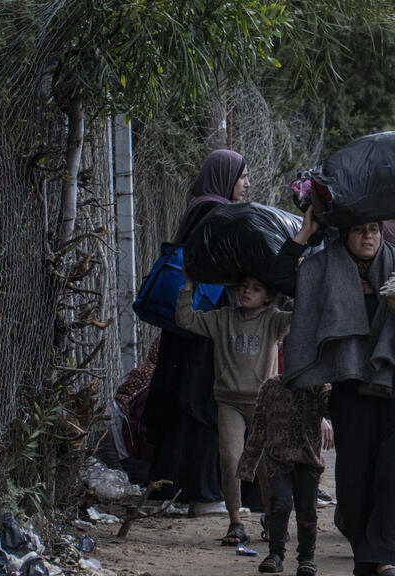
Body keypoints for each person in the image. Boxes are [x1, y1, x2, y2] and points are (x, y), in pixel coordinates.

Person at [269, 209, 395, 576]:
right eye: (358, 230)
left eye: (374, 229)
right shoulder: (323, 269)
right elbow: (278, 278)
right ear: (344, 234)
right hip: (352, 387)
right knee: (355, 478)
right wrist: (306, 233)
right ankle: (366, 558)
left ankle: (385, 556)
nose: (368, 237)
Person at [142, 149, 250, 513]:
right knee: (204, 401)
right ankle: (201, 492)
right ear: (225, 177)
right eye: (241, 176)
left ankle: (169, 488)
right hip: (203, 324)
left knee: (182, 401)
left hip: (186, 321)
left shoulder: (198, 206)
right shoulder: (215, 211)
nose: (246, 184)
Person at [175, 273, 292, 545]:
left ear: (268, 296)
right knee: (230, 459)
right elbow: (186, 319)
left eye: (256, 288)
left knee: (266, 466)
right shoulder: (222, 318)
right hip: (229, 402)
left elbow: (301, 316)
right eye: (243, 287)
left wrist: (296, 279)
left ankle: (272, 518)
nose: (247, 292)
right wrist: (189, 286)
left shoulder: (273, 319)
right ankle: (236, 523)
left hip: (264, 403)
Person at [238, 378, 332, 575]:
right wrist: (248, 463)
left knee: (307, 511)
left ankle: (306, 557)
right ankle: (275, 554)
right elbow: (259, 425)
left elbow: (333, 408)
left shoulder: (317, 386)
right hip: (277, 458)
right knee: (280, 504)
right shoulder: (271, 386)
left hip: (308, 461)